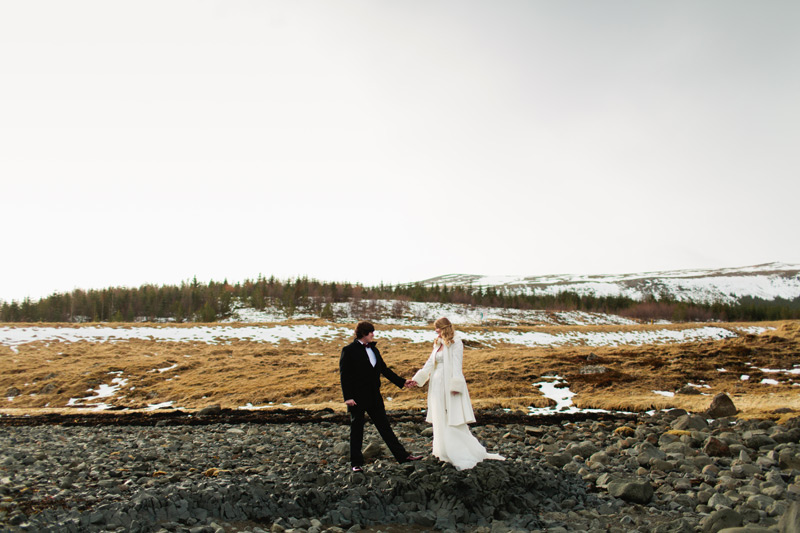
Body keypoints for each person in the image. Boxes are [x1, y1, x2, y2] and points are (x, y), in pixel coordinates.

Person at [410, 317, 505, 470]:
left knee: (451, 417)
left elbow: (456, 366)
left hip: (448, 385)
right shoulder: (438, 343)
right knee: (440, 416)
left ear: (444, 328)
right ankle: (442, 451)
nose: (436, 331)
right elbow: (429, 363)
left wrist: (455, 385)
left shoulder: (456, 342)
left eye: (438, 328)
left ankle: (457, 451)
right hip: (436, 385)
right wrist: (417, 379)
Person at [339, 321, 421, 472]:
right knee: (357, 430)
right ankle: (356, 464)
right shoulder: (348, 350)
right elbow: (345, 375)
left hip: (375, 396)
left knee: (385, 428)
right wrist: (348, 397)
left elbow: (384, 370)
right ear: (363, 333)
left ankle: (403, 457)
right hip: (356, 399)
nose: (373, 334)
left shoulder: (374, 350)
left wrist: (403, 382)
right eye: (371, 332)